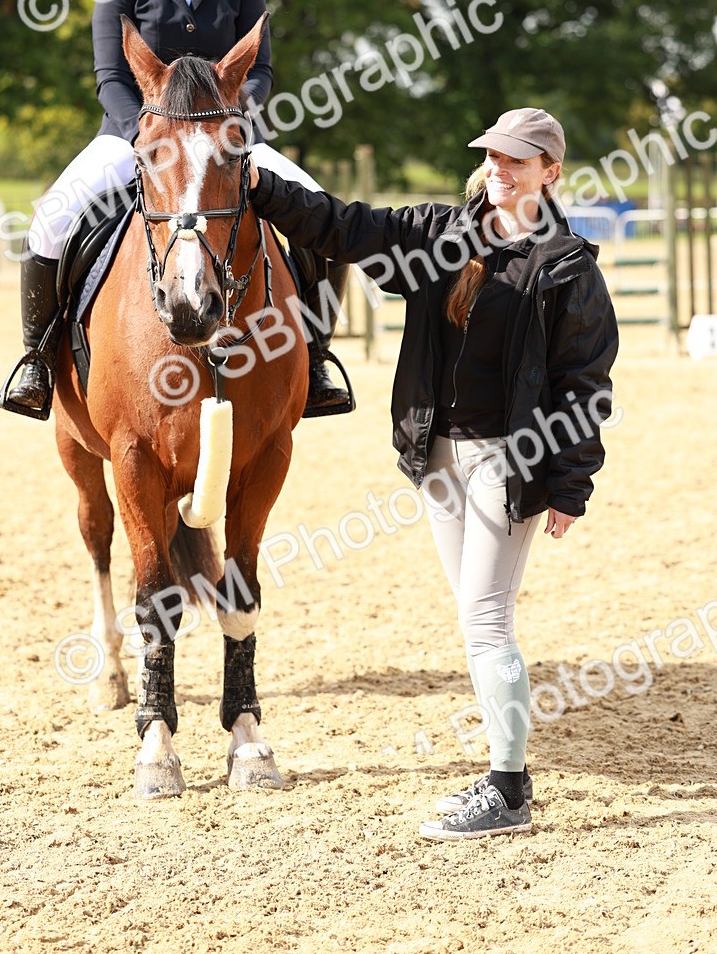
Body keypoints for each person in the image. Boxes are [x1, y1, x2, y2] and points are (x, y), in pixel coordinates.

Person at [247, 107, 619, 840]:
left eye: (518, 161)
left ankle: (508, 791)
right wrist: (259, 187)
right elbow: (342, 225)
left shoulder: (568, 266)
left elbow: (586, 384)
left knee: (486, 621)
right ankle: (506, 780)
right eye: (493, 157)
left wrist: (571, 482)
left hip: (509, 463)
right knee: (475, 617)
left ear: (551, 172)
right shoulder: (438, 234)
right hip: (436, 456)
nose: (500, 170)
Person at [4, 0, 351, 418]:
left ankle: (316, 359)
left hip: (226, 140)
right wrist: (142, 134)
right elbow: (110, 77)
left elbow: (259, 68)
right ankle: (36, 361)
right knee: (51, 219)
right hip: (138, 138)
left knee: (322, 212)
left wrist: (240, 120)